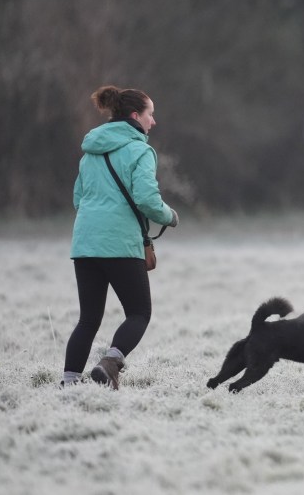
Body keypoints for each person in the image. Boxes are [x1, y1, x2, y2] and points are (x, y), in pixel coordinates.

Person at [62, 85, 178, 389]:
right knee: (139, 313)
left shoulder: (90, 152)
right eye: (150, 115)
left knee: (88, 319)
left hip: (85, 244)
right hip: (120, 245)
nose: (153, 122)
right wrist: (169, 216)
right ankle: (109, 363)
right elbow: (146, 199)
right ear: (135, 115)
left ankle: (69, 382)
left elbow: (79, 198)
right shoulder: (141, 150)